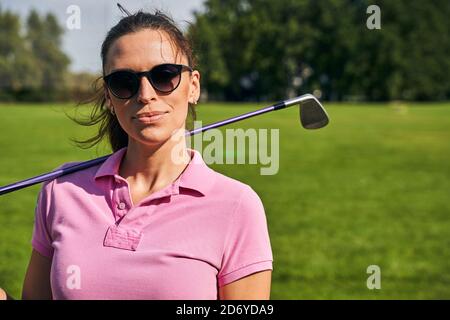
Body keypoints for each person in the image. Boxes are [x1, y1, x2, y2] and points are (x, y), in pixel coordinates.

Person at [2, 10, 273, 300]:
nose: (145, 94)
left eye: (164, 76)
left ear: (193, 86)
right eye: (124, 82)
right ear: (108, 96)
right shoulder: (61, 190)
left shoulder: (237, 205)